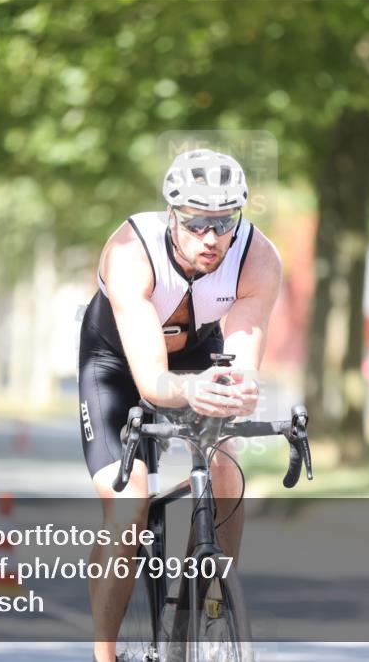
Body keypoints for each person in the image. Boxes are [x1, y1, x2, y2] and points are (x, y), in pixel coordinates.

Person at [78, 149, 282, 661]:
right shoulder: (130, 251)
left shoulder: (258, 258)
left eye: (222, 222)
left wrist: (239, 387)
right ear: (172, 215)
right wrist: (190, 391)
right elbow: (151, 383)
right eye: (196, 223)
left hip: (197, 356)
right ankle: (103, 656)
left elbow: (238, 363)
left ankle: (213, 599)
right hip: (118, 363)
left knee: (228, 463)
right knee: (130, 509)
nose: (210, 238)